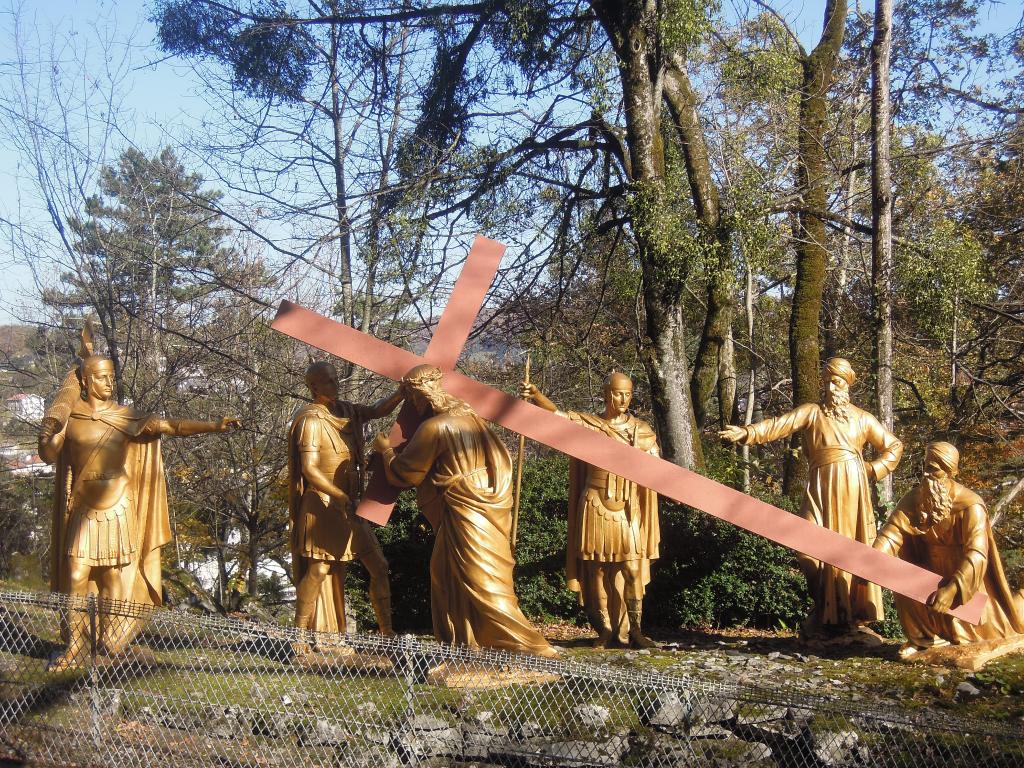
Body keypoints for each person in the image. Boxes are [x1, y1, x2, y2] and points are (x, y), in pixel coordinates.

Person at [38, 332, 239, 668]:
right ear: (86, 381)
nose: (109, 383)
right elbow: (47, 455)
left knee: (113, 578)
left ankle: (110, 641)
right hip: (84, 508)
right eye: (102, 378)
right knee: (76, 573)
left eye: (112, 377)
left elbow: (168, 425)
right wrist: (48, 430)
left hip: (117, 507)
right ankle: (74, 644)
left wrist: (213, 426)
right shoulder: (70, 419)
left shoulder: (124, 416)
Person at [372, 364, 556, 658]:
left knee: (481, 577)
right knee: (445, 572)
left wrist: (385, 451)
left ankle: (528, 646)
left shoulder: (435, 427)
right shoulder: (471, 417)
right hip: (486, 500)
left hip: (466, 508)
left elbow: (407, 474)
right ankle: (468, 647)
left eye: (413, 399)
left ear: (420, 397)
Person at [719, 357, 903, 641]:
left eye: (837, 381)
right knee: (806, 550)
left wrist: (871, 469)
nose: (831, 387)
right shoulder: (813, 412)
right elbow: (778, 426)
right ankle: (824, 608)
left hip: (851, 486)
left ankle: (845, 617)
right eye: (827, 381)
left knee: (849, 550)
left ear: (848, 385)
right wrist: (746, 433)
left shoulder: (863, 418)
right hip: (819, 485)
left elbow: (893, 446)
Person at [522, 372, 659, 648]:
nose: (623, 399)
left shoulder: (641, 431)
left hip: (626, 508)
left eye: (628, 394)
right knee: (595, 570)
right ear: (607, 393)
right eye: (618, 393)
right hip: (595, 503)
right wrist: (536, 396)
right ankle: (606, 629)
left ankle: (635, 631)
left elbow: (659, 469)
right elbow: (558, 416)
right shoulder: (591, 425)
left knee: (632, 568)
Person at [289, 361, 403, 649]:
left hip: (352, 505)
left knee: (379, 565)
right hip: (324, 505)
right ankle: (299, 636)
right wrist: (339, 497)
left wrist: (402, 392)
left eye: (335, 379)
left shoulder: (347, 410)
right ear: (313, 387)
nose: (335, 384)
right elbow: (310, 470)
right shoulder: (311, 421)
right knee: (319, 569)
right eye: (328, 381)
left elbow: (378, 410)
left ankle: (386, 632)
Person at [874, 442, 1024, 658]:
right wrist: (872, 560)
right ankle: (923, 639)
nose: (927, 475)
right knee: (899, 575)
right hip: (926, 576)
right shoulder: (913, 500)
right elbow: (891, 534)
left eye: (934, 469)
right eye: (925, 467)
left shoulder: (971, 505)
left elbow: (977, 554)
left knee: (987, 628)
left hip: (963, 581)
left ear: (951, 472)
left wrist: (953, 589)